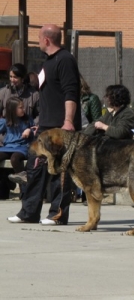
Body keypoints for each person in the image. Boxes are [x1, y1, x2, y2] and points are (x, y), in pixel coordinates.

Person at [7, 23, 81, 225]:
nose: (38, 41)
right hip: (46, 127)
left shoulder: (65, 60)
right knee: (35, 167)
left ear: (46, 40)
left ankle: (57, 214)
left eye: (39, 38)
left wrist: (68, 121)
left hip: (62, 128)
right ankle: (29, 212)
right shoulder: (47, 62)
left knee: (59, 171)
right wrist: (41, 124)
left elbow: (71, 92)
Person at [0, 97, 35, 195]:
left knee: (15, 159)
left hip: (22, 147)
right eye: (21, 108)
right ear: (12, 109)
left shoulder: (28, 120)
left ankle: (24, 190)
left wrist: (29, 130)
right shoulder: (5, 121)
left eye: (23, 107)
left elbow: (36, 130)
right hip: (8, 147)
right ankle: (6, 182)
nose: (23, 109)